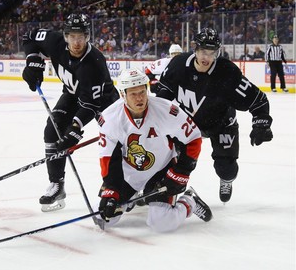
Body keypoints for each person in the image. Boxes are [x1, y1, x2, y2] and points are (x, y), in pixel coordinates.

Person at [156, 28, 273, 203]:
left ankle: (226, 180)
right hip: (188, 124)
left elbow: (259, 100)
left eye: (212, 53)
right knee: (169, 159)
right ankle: (158, 186)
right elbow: (163, 95)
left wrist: (261, 124)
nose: (206, 58)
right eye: (203, 51)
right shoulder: (178, 65)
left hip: (222, 124)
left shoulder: (228, 73)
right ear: (195, 48)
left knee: (226, 169)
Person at [22, 13, 119, 212]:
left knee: (118, 141)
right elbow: (30, 37)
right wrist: (33, 61)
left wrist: (75, 128)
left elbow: (91, 105)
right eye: (72, 36)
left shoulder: (95, 63)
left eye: (81, 36)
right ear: (65, 36)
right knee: (53, 130)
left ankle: (123, 185)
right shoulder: (54, 41)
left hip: (105, 103)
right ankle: (57, 184)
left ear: (87, 37)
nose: (76, 42)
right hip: (73, 94)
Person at [97, 68, 212, 232]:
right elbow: (108, 158)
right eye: (133, 94)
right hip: (129, 173)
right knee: (102, 218)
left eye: (142, 92)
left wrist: (181, 172)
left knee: (160, 223)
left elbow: (193, 137)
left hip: (161, 170)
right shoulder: (110, 118)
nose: (140, 98)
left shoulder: (166, 110)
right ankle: (130, 198)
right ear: (123, 95)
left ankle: (189, 201)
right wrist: (111, 190)